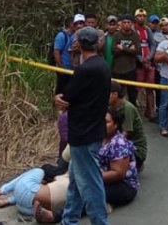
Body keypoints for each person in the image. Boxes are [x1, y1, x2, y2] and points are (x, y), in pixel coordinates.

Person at [54, 26, 112, 225]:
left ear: (79, 43)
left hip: (83, 133)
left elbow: (66, 97)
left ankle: (100, 222)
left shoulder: (86, 70)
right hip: (92, 130)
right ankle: (69, 219)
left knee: (90, 183)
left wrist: (60, 99)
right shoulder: (101, 65)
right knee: (76, 181)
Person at [0, 164, 66, 218]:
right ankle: (7, 201)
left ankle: (0, 191)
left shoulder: (42, 173)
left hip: (23, 201)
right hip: (28, 210)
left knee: (38, 170)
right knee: (31, 194)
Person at [108, 82, 148, 171]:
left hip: (136, 148)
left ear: (115, 94)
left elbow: (124, 135)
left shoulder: (127, 108)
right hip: (122, 142)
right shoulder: (111, 107)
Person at [110, 17, 141, 102]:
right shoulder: (116, 35)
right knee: (117, 94)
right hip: (117, 69)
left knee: (132, 94)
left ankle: (132, 111)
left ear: (132, 24)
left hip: (131, 68)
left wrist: (122, 48)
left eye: (128, 22)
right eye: (124, 22)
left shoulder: (135, 35)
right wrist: (130, 49)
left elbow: (137, 51)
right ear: (121, 24)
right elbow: (113, 51)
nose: (126, 24)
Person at [132, 9, 156, 119]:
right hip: (138, 63)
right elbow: (132, 47)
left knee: (150, 88)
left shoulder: (148, 30)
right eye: (139, 16)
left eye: (143, 16)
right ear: (135, 18)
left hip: (148, 62)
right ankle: (136, 113)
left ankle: (150, 111)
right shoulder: (132, 30)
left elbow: (153, 44)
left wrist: (148, 58)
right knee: (137, 88)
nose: (141, 18)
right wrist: (140, 59)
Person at [54, 15, 82, 94]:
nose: (78, 25)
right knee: (61, 89)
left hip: (72, 68)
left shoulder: (75, 35)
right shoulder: (61, 36)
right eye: (76, 23)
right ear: (71, 25)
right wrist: (60, 67)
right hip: (63, 68)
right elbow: (56, 52)